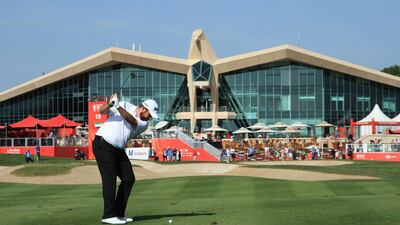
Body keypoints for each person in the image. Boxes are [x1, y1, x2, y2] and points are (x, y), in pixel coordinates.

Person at [93, 93, 158, 225]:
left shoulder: (143, 124)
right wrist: (110, 104)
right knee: (109, 178)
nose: (150, 118)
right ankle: (108, 215)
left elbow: (131, 120)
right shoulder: (124, 105)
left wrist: (117, 106)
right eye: (149, 114)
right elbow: (101, 111)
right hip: (103, 144)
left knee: (129, 178)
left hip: (118, 149)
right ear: (144, 109)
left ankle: (119, 214)